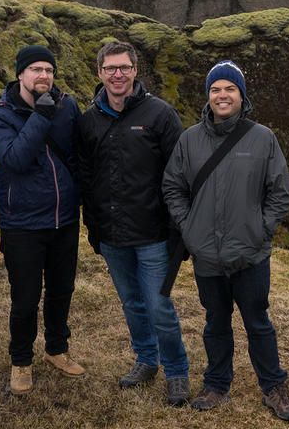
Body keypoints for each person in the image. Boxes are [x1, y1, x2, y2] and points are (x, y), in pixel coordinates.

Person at [162, 60, 289, 422]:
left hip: (250, 254)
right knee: (215, 323)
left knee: (258, 322)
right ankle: (216, 384)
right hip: (206, 254)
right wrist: (189, 227)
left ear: (241, 95)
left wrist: (260, 229)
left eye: (230, 88)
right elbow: (172, 187)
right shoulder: (189, 139)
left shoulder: (262, 138)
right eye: (216, 89)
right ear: (208, 96)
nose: (222, 95)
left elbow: (280, 193)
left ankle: (274, 386)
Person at [77, 41, 191, 406]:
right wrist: (93, 227)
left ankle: (176, 372)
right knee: (132, 304)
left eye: (124, 67)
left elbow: (181, 175)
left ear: (135, 70)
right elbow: (85, 175)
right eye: (110, 68)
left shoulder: (160, 114)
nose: (117, 74)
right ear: (99, 73)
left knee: (159, 307)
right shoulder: (89, 120)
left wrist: (178, 230)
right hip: (111, 235)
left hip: (153, 234)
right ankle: (146, 360)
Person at [0, 45, 85, 395]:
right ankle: (21, 361)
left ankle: (57, 349)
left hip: (64, 219)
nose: (44, 76)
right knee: (26, 298)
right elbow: (14, 160)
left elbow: (76, 155)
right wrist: (41, 116)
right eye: (36, 69)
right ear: (20, 74)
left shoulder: (68, 106)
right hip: (22, 224)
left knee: (62, 291)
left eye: (49, 70)